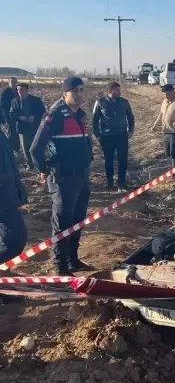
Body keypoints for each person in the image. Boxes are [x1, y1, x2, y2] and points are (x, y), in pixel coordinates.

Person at [30, 76, 93, 276]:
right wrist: (43, 170)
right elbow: (35, 148)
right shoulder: (55, 116)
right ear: (65, 93)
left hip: (81, 176)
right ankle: (61, 266)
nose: (79, 94)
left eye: (82, 90)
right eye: (75, 90)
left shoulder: (81, 115)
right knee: (62, 223)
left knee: (77, 220)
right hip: (63, 178)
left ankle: (73, 260)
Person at [92, 82, 135, 192]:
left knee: (123, 160)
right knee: (108, 160)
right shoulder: (100, 102)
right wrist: (97, 135)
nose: (119, 92)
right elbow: (94, 120)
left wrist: (130, 130)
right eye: (116, 90)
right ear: (110, 91)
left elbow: (130, 117)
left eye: (119, 90)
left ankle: (121, 183)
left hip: (122, 136)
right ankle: (109, 183)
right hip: (107, 137)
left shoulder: (124, 102)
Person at [0, 130, 28, 265]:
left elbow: (8, 166)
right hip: (3, 198)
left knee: (14, 239)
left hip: (7, 195)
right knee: (16, 238)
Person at [9, 83, 46, 170]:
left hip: (35, 128)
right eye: (18, 90)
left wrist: (34, 117)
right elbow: (11, 114)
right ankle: (30, 165)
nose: (19, 92)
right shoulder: (14, 101)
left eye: (21, 90)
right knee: (25, 148)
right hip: (23, 129)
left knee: (35, 148)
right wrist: (19, 117)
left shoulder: (36, 100)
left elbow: (42, 111)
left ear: (27, 90)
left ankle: (39, 165)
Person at [1, 77, 19, 154]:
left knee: (16, 133)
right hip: (7, 116)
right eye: (12, 82)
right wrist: (7, 119)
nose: (14, 83)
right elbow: (3, 107)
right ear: (9, 83)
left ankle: (16, 149)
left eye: (15, 82)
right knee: (11, 133)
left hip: (16, 116)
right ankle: (9, 150)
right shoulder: (5, 93)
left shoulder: (17, 91)